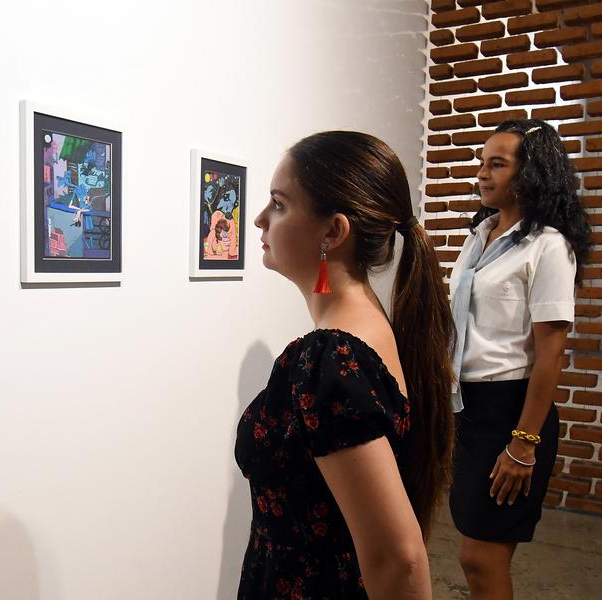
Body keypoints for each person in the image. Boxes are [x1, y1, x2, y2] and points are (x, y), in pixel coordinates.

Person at [235, 131, 455, 599]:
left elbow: (399, 560)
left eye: (278, 203)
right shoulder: (369, 327)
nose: (259, 219)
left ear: (332, 232)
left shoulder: (328, 357)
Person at [448, 119, 590, 600]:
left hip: (512, 412)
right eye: (481, 163)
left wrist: (523, 444)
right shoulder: (479, 235)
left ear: (531, 174)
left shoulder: (548, 246)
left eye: (497, 164)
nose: (483, 174)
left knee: (482, 560)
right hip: (469, 409)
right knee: (472, 555)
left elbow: (551, 354)